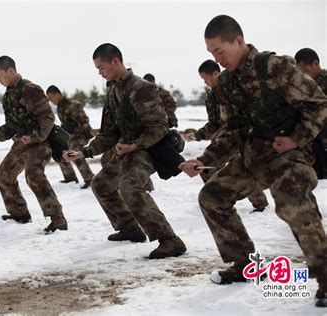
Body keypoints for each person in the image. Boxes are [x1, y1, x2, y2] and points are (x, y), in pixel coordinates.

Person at [179, 15, 326, 308]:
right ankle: (243, 264)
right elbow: (232, 130)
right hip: (253, 157)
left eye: (220, 50)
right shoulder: (227, 84)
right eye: (211, 54)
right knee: (212, 197)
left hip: (288, 153)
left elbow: (319, 105)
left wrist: (296, 138)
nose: (217, 59)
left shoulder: (276, 68)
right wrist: (205, 159)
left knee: (291, 199)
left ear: (239, 41)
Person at [64, 43, 186, 259]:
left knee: (130, 187)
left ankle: (170, 240)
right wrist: (85, 152)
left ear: (115, 61)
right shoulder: (113, 91)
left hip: (149, 148)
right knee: (101, 184)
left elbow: (159, 127)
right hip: (128, 149)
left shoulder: (142, 87)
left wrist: (135, 145)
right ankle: (130, 228)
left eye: (102, 67)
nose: (100, 74)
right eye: (97, 70)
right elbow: (109, 133)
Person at [0, 56, 67, 233]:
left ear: (10, 71)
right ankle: (19, 214)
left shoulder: (30, 89)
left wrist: (34, 137)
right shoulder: (8, 96)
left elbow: (48, 118)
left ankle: (58, 220)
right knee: (4, 175)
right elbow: (11, 126)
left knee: (33, 175)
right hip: (21, 143)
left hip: (40, 142)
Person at [183, 60, 269, 212]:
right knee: (205, 168)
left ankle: (260, 203)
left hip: (244, 137)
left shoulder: (235, 88)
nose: (205, 83)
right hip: (224, 141)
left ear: (216, 73)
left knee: (245, 168)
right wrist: (197, 135)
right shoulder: (211, 98)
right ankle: (219, 198)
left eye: (206, 79)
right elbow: (214, 124)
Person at [46, 85, 94, 189]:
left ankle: (89, 178)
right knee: (60, 151)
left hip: (82, 135)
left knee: (74, 151)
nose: (51, 101)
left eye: (51, 98)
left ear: (57, 94)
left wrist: (75, 134)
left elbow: (84, 122)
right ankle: (70, 177)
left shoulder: (72, 105)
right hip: (71, 136)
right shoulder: (60, 107)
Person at [294, 48, 327, 179]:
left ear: (315, 63)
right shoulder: (307, 87)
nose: (303, 75)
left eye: (304, 71)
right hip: (316, 145)